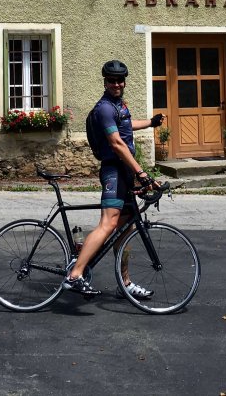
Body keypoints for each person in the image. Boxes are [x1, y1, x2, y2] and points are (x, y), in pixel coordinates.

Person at [63, 59, 164, 297]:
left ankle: (125, 283)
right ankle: (74, 275)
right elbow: (117, 143)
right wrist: (142, 173)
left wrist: (150, 122)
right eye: (112, 81)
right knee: (108, 223)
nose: (117, 84)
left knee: (124, 231)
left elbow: (126, 126)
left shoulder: (119, 105)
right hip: (114, 171)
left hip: (125, 173)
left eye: (120, 80)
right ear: (105, 82)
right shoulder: (105, 108)